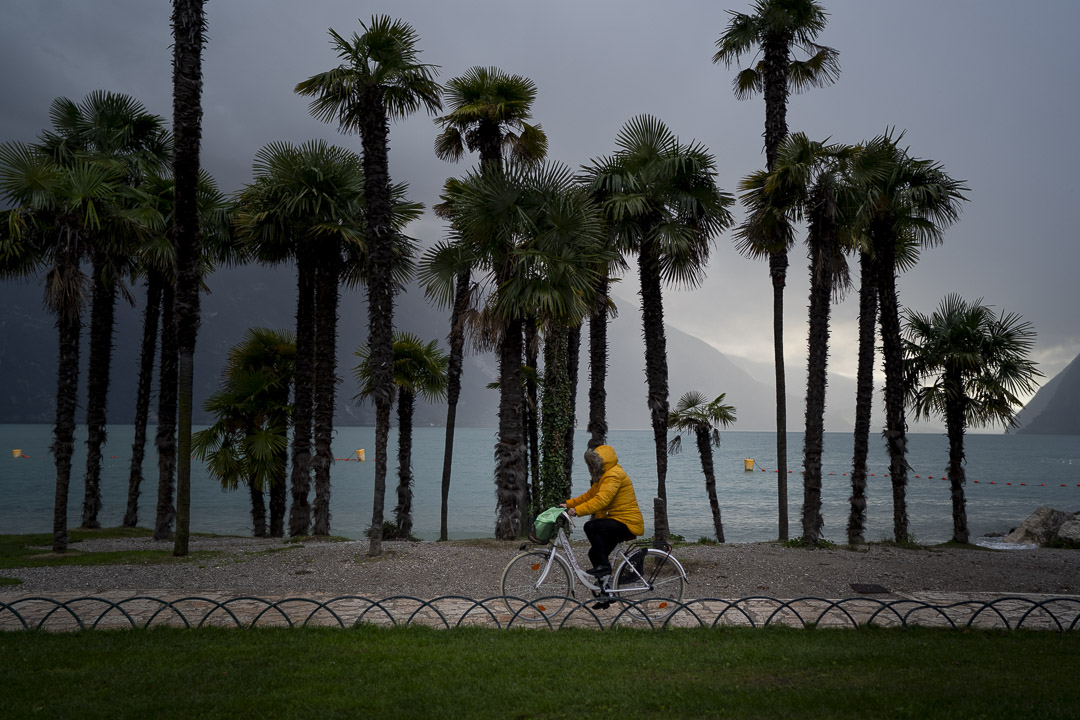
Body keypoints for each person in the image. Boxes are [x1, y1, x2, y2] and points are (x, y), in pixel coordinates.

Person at [560, 444, 644, 578]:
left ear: (602, 463)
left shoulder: (613, 475)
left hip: (627, 522)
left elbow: (601, 500)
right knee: (594, 554)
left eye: (594, 464)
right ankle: (605, 592)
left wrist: (576, 511)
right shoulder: (604, 476)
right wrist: (568, 504)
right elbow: (589, 496)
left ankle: (605, 567)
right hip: (617, 519)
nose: (592, 468)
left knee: (591, 526)